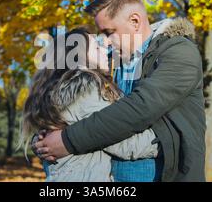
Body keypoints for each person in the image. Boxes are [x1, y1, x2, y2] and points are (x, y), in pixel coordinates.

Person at [34, 0, 206, 182]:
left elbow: (139, 107)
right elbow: (67, 96)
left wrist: (67, 140)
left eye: (109, 32)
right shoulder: (108, 63)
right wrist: (44, 135)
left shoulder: (179, 52)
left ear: (135, 21)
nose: (105, 42)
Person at [21, 27, 160, 182]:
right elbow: (125, 143)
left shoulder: (60, 94)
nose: (104, 48)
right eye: (96, 46)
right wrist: (167, 139)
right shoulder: (84, 89)